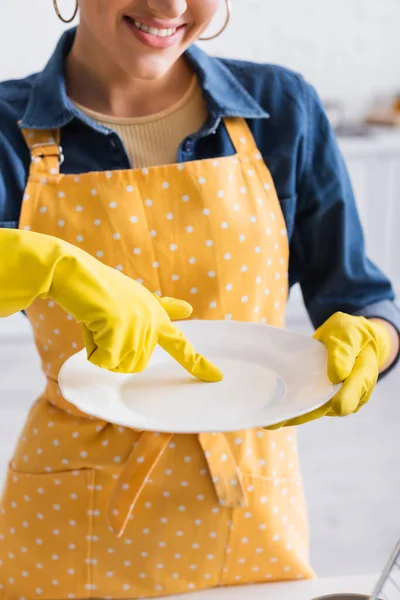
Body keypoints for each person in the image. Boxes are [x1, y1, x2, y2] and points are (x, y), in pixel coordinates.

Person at [0, 0, 399, 598]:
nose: (173, 7)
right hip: (69, 516)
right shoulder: (6, 128)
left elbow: (360, 295)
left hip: (252, 505)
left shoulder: (283, 109)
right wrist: (33, 262)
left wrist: (372, 338)